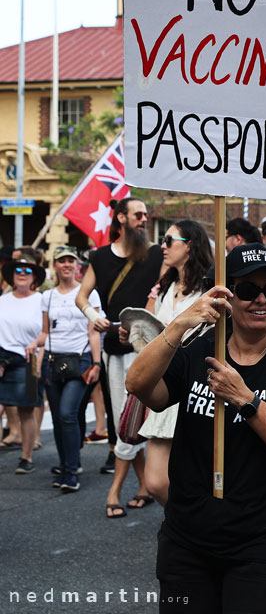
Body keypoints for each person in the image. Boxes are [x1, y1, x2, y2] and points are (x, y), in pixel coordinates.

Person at [126, 244, 266, 614]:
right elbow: (139, 386)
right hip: (188, 541)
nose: (262, 300)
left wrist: (246, 401)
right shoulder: (199, 350)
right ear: (227, 296)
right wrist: (181, 322)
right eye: (249, 290)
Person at [76, 196, 164, 518]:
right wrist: (92, 315)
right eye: (138, 214)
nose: (144, 219)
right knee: (125, 421)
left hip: (150, 353)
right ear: (121, 219)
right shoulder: (99, 257)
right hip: (116, 352)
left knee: (139, 421)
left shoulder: (156, 254)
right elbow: (81, 296)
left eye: (145, 214)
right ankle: (142, 486)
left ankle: (116, 490)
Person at [136, 221, 213, 507]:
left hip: (192, 384)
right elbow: (150, 326)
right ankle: (188, 524)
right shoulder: (165, 284)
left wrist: (175, 329)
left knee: (195, 474)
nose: (163, 247)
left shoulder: (208, 286)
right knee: (155, 481)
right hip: (161, 382)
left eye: (169, 240)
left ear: (190, 245)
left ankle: (195, 532)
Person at [26, 246, 102, 491]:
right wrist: (35, 347)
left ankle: (70, 472)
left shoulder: (89, 293)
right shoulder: (47, 297)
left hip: (80, 360)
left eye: (71, 260)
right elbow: (46, 331)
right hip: (52, 361)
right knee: (59, 419)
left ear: (77, 265)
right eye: (62, 261)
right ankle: (68, 463)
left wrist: (97, 363)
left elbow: (94, 333)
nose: (67, 264)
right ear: (55, 266)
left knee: (68, 414)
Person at [0, 255, 44, 473]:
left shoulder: (41, 300)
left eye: (27, 271)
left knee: (26, 410)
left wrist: (39, 361)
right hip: (2, 358)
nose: (22, 275)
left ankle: (26, 457)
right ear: (11, 276)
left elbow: (47, 333)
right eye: (18, 271)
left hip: (27, 359)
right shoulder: (2, 300)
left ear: (34, 277)